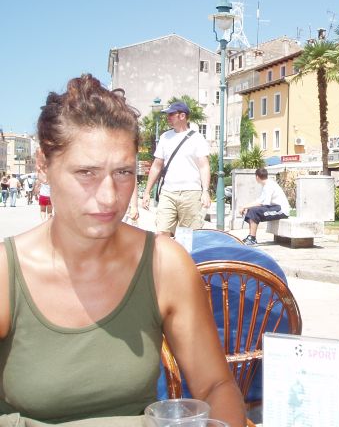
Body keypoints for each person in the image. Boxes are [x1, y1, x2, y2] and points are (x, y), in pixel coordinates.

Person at [0, 74, 246, 426]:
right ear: (43, 166)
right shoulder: (6, 274)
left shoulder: (164, 265)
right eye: (86, 172)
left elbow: (216, 385)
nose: (109, 197)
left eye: (123, 172)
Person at [141, 101, 211, 237]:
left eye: (171, 114)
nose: (168, 117)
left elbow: (204, 166)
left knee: (188, 236)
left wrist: (205, 191)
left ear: (182, 116)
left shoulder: (197, 138)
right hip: (168, 192)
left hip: (191, 192)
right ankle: (165, 252)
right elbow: (156, 165)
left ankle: (184, 252)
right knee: (162, 232)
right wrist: (147, 192)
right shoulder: (165, 137)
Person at [239, 168, 290, 246]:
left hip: (281, 210)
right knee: (251, 210)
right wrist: (246, 207)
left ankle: (252, 239)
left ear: (257, 177)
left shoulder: (269, 186)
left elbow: (264, 203)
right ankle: (250, 236)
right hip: (275, 208)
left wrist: (244, 206)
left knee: (253, 211)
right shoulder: (267, 184)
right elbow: (260, 201)